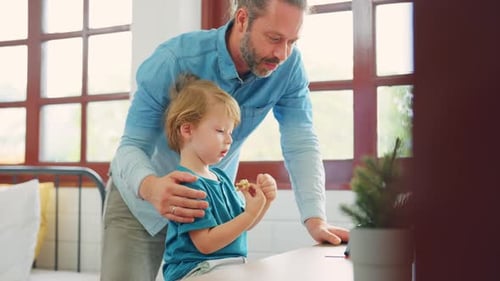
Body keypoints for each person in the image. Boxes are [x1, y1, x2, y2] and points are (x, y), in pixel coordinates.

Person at [101, 0, 349, 280]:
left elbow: (301, 140)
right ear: (242, 19)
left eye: (292, 41)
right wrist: (151, 188)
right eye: (274, 38)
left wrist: (315, 218)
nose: (282, 53)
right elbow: (131, 145)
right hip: (142, 195)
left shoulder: (288, 67)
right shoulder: (174, 59)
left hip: (210, 203)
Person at [162, 73, 276, 280]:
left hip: (225, 267)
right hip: (195, 272)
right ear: (187, 129)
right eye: (221, 131)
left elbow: (243, 226)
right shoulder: (187, 185)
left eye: (231, 132)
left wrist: (264, 202)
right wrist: (248, 215)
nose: (229, 139)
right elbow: (205, 244)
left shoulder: (221, 177)